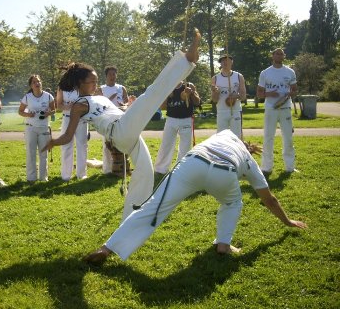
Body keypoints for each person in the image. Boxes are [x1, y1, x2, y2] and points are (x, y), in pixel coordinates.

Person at [83, 130, 308, 265]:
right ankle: (223, 244)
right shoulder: (249, 161)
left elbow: (232, 140)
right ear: (247, 148)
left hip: (192, 163)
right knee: (232, 202)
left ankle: (106, 248)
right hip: (224, 172)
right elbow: (269, 199)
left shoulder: (224, 135)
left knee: (151, 207)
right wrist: (288, 221)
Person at [43, 29, 201, 221]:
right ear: (79, 84)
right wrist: (53, 142)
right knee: (151, 93)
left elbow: (117, 110)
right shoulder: (79, 105)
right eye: (91, 82)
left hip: (126, 129)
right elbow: (68, 136)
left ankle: (136, 211)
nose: (95, 84)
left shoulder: (99, 98)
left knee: (146, 170)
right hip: (119, 132)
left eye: (96, 81)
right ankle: (186, 60)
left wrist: (130, 106)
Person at [256, 48, 298, 175]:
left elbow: (295, 89)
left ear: (284, 56)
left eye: (281, 54)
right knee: (268, 137)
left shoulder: (290, 72)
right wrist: (270, 93)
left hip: (285, 108)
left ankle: (290, 167)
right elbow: (259, 93)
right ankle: (266, 167)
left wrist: (292, 93)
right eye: (277, 53)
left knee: (288, 137)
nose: (279, 55)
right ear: (272, 56)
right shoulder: (265, 73)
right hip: (270, 109)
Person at [154, 81, 200, 175]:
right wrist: (167, 95)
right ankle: (160, 169)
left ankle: (181, 169)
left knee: (185, 146)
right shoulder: (168, 85)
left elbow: (197, 102)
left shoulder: (189, 85)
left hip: (186, 119)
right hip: (171, 119)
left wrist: (191, 93)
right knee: (166, 144)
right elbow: (162, 107)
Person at [18, 75, 56, 182]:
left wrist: (48, 113)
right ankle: (31, 178)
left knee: (43, 153)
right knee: (31, 153)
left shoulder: (48, 96)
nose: (37, 83)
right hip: (31, 128)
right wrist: (28, 115)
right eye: (34, 82)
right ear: (31, 85)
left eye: (38, 81)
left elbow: (54, 110)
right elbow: (20, 111)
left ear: (41, 83)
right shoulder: (27, 97)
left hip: (44, 128)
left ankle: (43, 178)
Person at [95, 66, 130, 175]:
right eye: (110, 74)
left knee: (119, 143)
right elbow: (99, 105)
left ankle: (121, 167)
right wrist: (109, 99)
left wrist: (124, 105)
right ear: (106, 76)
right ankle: (107, 169)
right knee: (107, 145)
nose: (112, 76)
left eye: (114, 74)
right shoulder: (101, 89)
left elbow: (127, 102)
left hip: (120, 118)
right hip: (107, 119)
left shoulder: (121, 88)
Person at [56, 86, 88, 181]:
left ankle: (81, 174)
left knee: (82, 145)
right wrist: (68, 106)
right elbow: (58, 105)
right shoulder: (62, 87)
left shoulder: (83, 84)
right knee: (66, 145)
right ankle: (66, 175)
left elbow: (88, 102)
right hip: (67, 118)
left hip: (81, 119)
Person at [211, 55, 246, 138]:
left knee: (237, 137)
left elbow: (243, 96)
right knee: (221, 137)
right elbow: (214, 100)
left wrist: (236, 96)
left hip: (236, 110)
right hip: (222, 110)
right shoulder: (215, 78)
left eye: (227, 60)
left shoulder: (238, 76)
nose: (225, 62)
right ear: (220, 63)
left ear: (232, 62)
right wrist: (216, 92)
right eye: (223, 61)